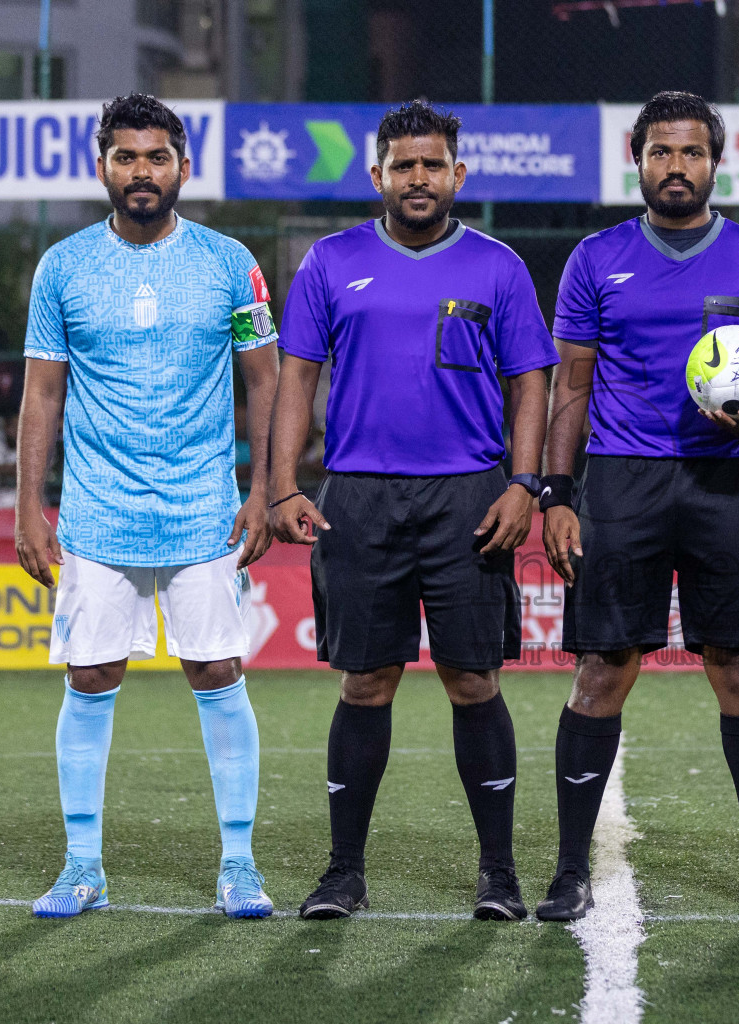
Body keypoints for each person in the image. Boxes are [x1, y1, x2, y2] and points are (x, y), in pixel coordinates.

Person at [269, 100, 557, 923]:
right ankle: (342, 874)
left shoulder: (497, 267)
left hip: (469, 497)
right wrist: (284, 484)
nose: (419, 178)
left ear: (457, 175)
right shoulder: (330, 262)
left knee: (474, 679)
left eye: (433, 165)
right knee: (367, 681)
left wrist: (525, 482)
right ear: (379, 176)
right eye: (404, 166)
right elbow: (297, 380)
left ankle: (497, 874)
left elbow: (529, 381)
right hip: (359, 496)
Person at [539, 92, 739, 924]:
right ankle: (568, 870)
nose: (676, 167)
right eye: (661, 152)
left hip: (728, 481)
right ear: (639, 158)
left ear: (715, 163)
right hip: (624, 482)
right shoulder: (596, 258)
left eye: (691, 153)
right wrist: (557, 491)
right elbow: (570, 387)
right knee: (600, 673)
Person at [15, 94, 281, 920]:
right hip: (96, 514)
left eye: (156, 156)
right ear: (102, 166)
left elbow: (266, 377)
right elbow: (42, 394)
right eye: (126, 156)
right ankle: (81, 866)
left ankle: (238, 863)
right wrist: (29, 504)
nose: (142, 171)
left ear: (182, 168)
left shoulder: (230, 261)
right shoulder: (62, 266)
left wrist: (265, 488)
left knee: (217, 671)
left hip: (205, 508)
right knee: (90, 676)